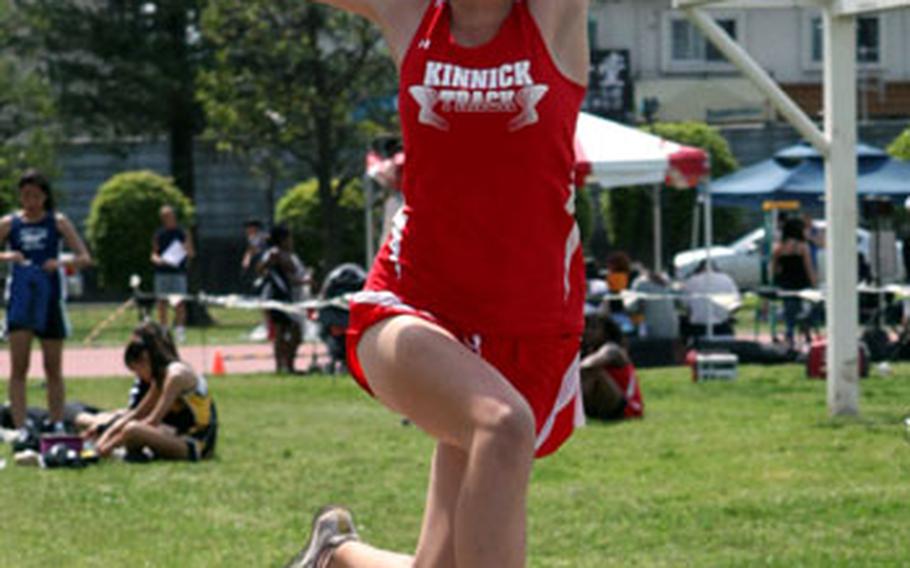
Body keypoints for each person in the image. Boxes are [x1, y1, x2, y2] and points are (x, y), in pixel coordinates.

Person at [288, 1, 590, 567]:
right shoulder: (411, 16)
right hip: (413, 306)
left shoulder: (550, 19)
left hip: (529, 327)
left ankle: (336, 554)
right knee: (501, 425)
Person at [0, 170, 92, 451]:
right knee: (19, 366)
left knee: (53, 367)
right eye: (26, 196)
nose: (31, 202)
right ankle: (19, 427)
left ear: (45, 196)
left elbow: (84, 257)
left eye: (36, 196)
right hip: (20, 300)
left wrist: (60, 262)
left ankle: (56, 422)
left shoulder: (58, 221)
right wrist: (8, 256)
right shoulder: (9, 223)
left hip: (50, 299)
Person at [95, 322, 217, 462]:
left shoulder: (175, 375)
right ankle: (132, 456)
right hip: (178, 437)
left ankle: (122, 455)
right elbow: (137, 413)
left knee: (133, 430)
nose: (138, 377)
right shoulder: (160, 377)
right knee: (130, 425)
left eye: (137, 370)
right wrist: (103, 440)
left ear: (145, 360)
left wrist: (109, 446)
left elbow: (153, 420)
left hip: (196, 445)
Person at [258, 225, 310, 374]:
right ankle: (283, 366)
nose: (291, 241)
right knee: (283, 332)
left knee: (292, 333)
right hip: (279, 297)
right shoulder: (274, 254)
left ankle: (287, 365)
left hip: (291, 299)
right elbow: (289, 273)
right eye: (289, 238)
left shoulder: (289, 254)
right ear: (282, 239)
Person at [579, 308, 644, 421]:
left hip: (628, 408)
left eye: (593, 328)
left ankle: (578, 414)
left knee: (592, 372)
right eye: (585, 327)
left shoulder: (612, 349)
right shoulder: (587, 352)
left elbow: (588, 365)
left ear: (606, 332)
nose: (588, 332)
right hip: (604, 405)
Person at [771, 217, 817, 350]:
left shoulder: (779, 248)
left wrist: (777, 279)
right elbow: (808, 267)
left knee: (789, 310)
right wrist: (814, 283)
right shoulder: (803, 247)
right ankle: (806, 333)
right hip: (802, 283)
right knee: (806, 310)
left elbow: (774, 269)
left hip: (786, 283)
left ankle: (789, 334)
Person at [151, 204, 194, 343]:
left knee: (179, 302)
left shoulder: (182, 233)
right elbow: (154, 253)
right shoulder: (159, 234)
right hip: (162, 272)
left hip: (178, 272)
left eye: (169, 215)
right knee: (162, 302)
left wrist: (186, 249)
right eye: (164, 216)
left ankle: (180, 330)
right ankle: (164, 330)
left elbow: (191, 253)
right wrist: (157, 260)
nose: (167, 218)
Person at [682, 260, 741, 339]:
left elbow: (686, 306)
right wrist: (726, 314)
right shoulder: (727, 279)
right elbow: (736, 305)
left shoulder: (691, 281)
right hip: (722, 327)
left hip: (698, 327)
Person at [628, 269, 680, 339]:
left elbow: (632, 307)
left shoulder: (640, 283)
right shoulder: (668, 280)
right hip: (672, 328)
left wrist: (626, 297)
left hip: (654, 330)